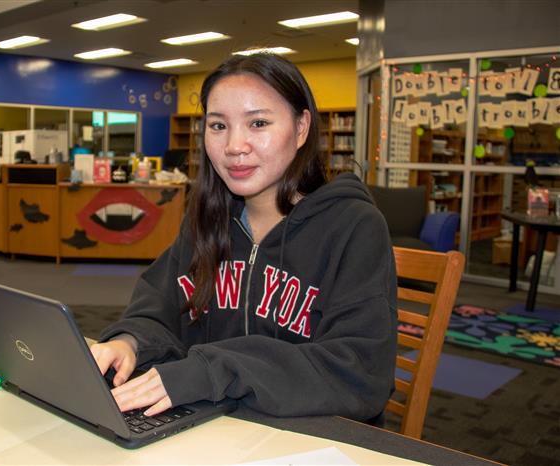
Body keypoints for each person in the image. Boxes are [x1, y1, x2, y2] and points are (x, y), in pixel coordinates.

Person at [90, 54, 397, 423]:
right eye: (218, 126)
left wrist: (214, 370)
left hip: (310, 434)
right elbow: (161, 308)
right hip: (211, 425)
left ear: (301, 128)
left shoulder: (353, 225)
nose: (235, 145)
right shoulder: (206, 218)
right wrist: (130, 341)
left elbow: (361, 370)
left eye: (259, 123)